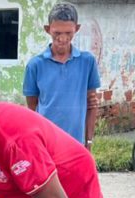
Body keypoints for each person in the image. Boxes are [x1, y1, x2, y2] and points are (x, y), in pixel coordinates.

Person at [23, 2, 100, 147]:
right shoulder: (35, 65)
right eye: (57, 33)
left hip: (76, 144)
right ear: (48, 29)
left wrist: (88, 141)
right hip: (46, 143)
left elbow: (92, 104)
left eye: (68, 33)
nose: (63, 38)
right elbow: (32, 109)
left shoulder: (87, 62)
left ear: (76, 29)